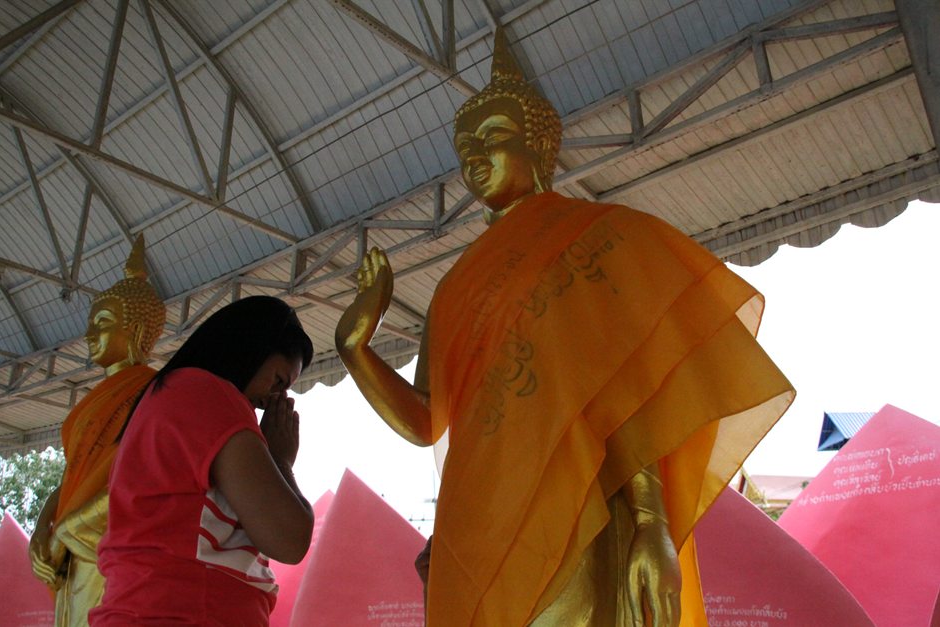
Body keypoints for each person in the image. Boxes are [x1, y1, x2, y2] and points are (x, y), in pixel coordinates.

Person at [336, 29, 795, 627]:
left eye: (495, 136)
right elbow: (427, 421)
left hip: (573, 503)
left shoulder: (594, 243)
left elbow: (631, 393)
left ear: (538, 147)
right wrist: (356, 351)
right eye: (465, 144)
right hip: (478, 521)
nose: (476, 153)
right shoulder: (454, 291)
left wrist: (652, 524)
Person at [89, 295, 314, 626]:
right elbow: (290, 539)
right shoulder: (206, 392)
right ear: (248, 349)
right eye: (278, 381)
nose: (273, 400)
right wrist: (280, 461)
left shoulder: (172, 394)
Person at [29, 235, 166, 626]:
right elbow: (74, 476)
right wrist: (44, 527)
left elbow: (137, 477)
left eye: (103, 323)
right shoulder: (89, 406)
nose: (90, 333)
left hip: (105, 546)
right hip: (68, 557)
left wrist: (69, 529)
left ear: (138, 329)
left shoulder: (154, 392)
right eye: (90, 322)